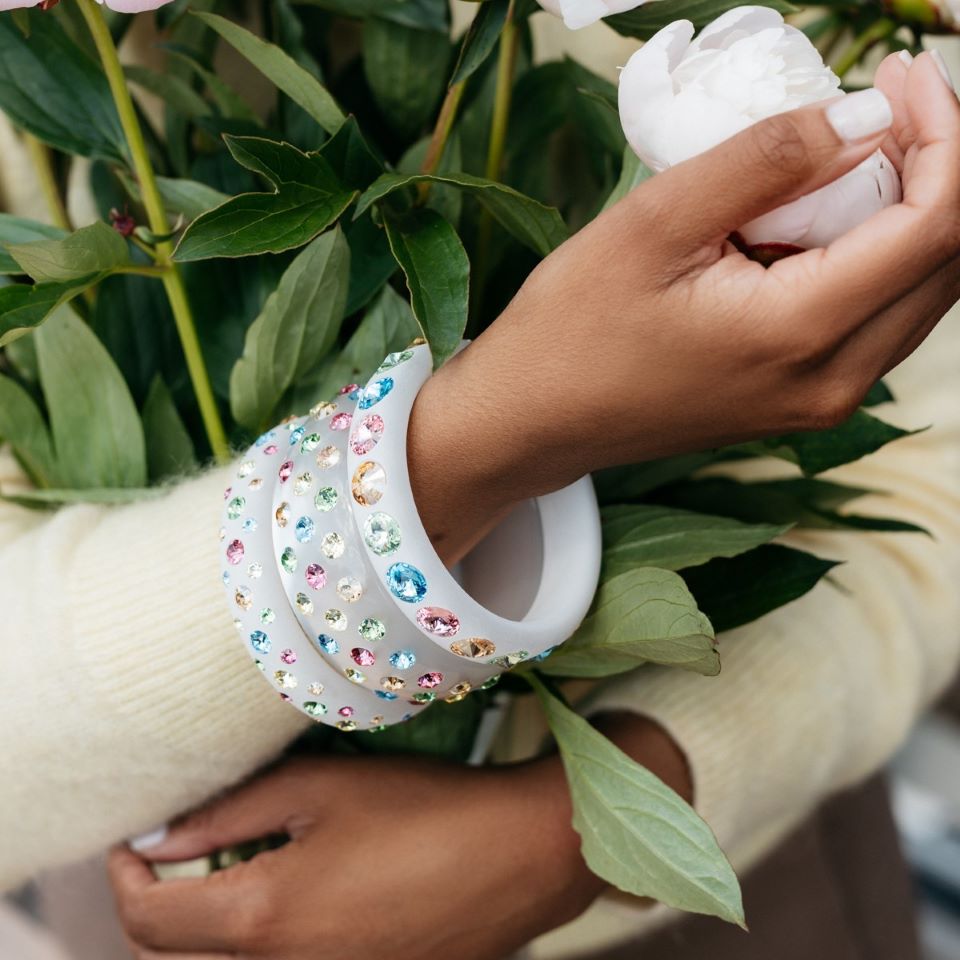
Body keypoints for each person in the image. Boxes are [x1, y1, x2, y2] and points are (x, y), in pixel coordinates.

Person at [2, 45, 960, 960]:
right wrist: (480, 441)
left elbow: (938, 472)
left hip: (731, 851)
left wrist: (586, 823)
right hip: (172, 874)